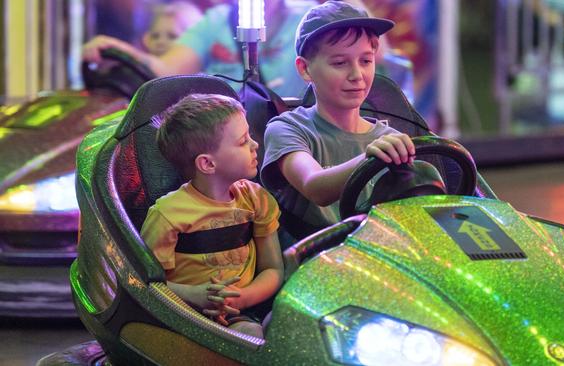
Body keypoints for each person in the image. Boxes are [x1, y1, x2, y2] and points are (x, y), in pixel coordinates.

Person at [260, 1, 415, 242]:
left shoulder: (388, 138)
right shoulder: (288, 129)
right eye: (340, 63)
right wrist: (370, 157)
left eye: (366, 61)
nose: (357, 75)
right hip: (313, 263)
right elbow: (315, 187)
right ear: (305, 69)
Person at [140, 94, 284, 338]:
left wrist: (242, 298)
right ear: (207, 164)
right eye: (242, 141)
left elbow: (273, 269)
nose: (255, 145)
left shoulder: (256, 200)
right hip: (180, 318)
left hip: (239, 315)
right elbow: (144, 283)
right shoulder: (167, 215)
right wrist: (194, 295)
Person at [83, 0, 317, 97]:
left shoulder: (310, 17)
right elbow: (166, 70)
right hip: (223, 138)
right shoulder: (218, 20)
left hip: (295, 133)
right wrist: (118, 50)